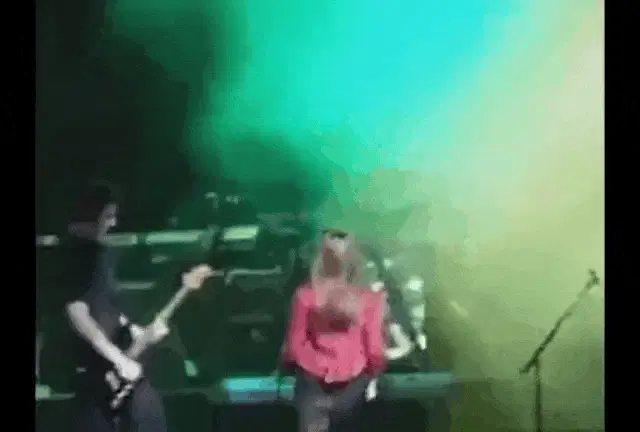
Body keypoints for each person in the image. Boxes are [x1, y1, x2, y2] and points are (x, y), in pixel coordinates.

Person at [61, 182, 169, 432]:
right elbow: (78, 314)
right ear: (92, 216)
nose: (113, 223)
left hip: (112, 365)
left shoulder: (101, 254)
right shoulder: (73, 257)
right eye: (108, 216)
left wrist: (134, 330)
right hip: (89, 369)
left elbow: (105, 305)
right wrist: (118, 359)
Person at [282, 229, 387, 432]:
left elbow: (295, 344)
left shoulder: (305, 295)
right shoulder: (370, 299)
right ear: (354, 258)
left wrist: (315, 367)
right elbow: (374, 350)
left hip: (312, 383)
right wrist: (372, 373)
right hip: (353, 385)